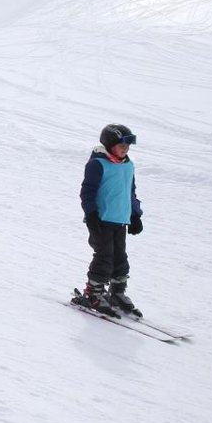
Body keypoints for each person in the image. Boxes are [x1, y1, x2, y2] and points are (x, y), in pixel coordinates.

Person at [77, 124, 144, 315]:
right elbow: (87, 192)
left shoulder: (128, 165)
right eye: (121, 145)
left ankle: (117, 292)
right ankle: (93, 292)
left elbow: (129, 192)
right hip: (101, 220)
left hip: (120, 220)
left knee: (120, 257)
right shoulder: (97, 164)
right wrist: (91, 214)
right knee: (104, 256)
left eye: (128, 146)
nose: (126, 149)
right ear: (109, 144)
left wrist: (135, 214)